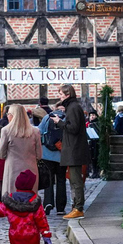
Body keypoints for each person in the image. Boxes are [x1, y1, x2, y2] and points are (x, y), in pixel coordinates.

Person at [53, 84, 91, 219]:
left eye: (61, 94)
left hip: (74, 149)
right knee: (74, 180)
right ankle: (76, 206)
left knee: (76, 180)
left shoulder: (73, 107)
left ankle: (78, 208)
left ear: (67, 94)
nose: (59, 96)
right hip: (73, 148)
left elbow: (73, 128)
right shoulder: (72, 107)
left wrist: (59, 122)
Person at [0, 104, 43, 194]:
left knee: (12, 198)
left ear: (13, 116)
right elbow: (39, 155)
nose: (7, 116)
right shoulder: (35, 131)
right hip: (31, 169)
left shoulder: (6, 131)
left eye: (9, 113)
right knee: (30, 198)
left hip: (12, 169)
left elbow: (0, 154)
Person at [38, 108, 68, 215]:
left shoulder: (47, 118)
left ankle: (48, 203)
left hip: (47, 155)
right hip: (62, 154)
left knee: (49, 180)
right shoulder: (66, 118)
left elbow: (40, 132)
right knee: (61, 180)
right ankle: (61, 207)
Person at [87, 110, 101, 178]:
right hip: (91, 143)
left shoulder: (97, 123)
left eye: (93, 115)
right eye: (90, 115)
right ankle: (94, 171)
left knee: (96, 156)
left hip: (97, 142)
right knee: (92, 157)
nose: (92, 117)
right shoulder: (88, 123)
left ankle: (97, 172)